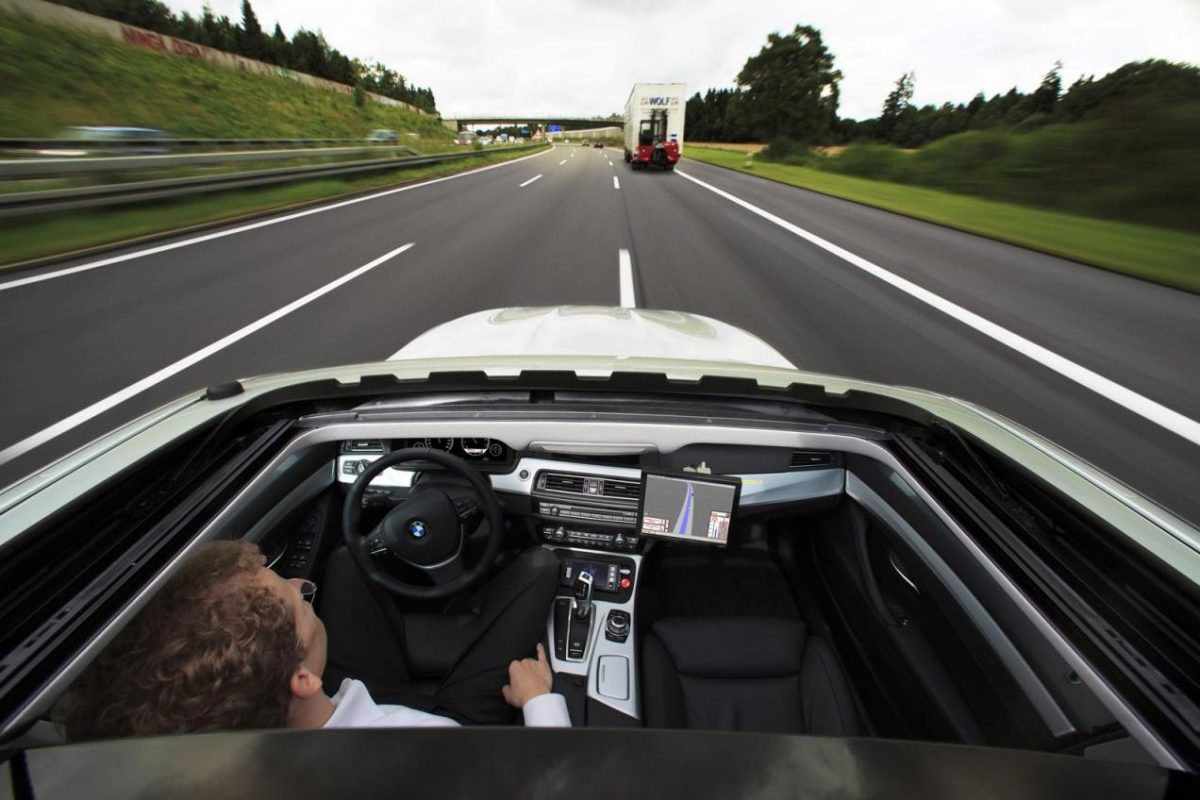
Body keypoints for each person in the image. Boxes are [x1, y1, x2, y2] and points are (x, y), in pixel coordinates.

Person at [58, 541, 569, 740]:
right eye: (300, 602)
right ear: (302, 676)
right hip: (451, 724)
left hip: (337, 703)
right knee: (541, 566)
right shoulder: (431, 747)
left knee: (349, 561)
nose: (303, 590)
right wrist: (539, 702)